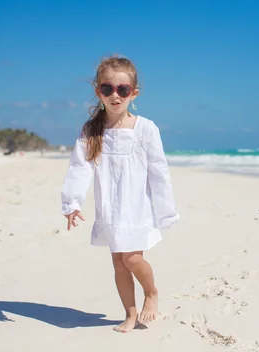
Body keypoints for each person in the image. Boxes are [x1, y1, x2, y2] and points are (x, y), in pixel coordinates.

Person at [60, 55, 180, 332]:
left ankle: (151, 292)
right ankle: (129, 313)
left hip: (138, 207)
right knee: (118, 262)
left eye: (122, 89)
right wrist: (72, 202)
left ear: (133, 93)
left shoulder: (146, 129)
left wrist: (166, 211)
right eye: (107, 89)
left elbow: (159, 172)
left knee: (133, 258)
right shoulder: (92, 131)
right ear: (98, 91)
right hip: (110, 208)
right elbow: (80, 168)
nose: (115, 95)